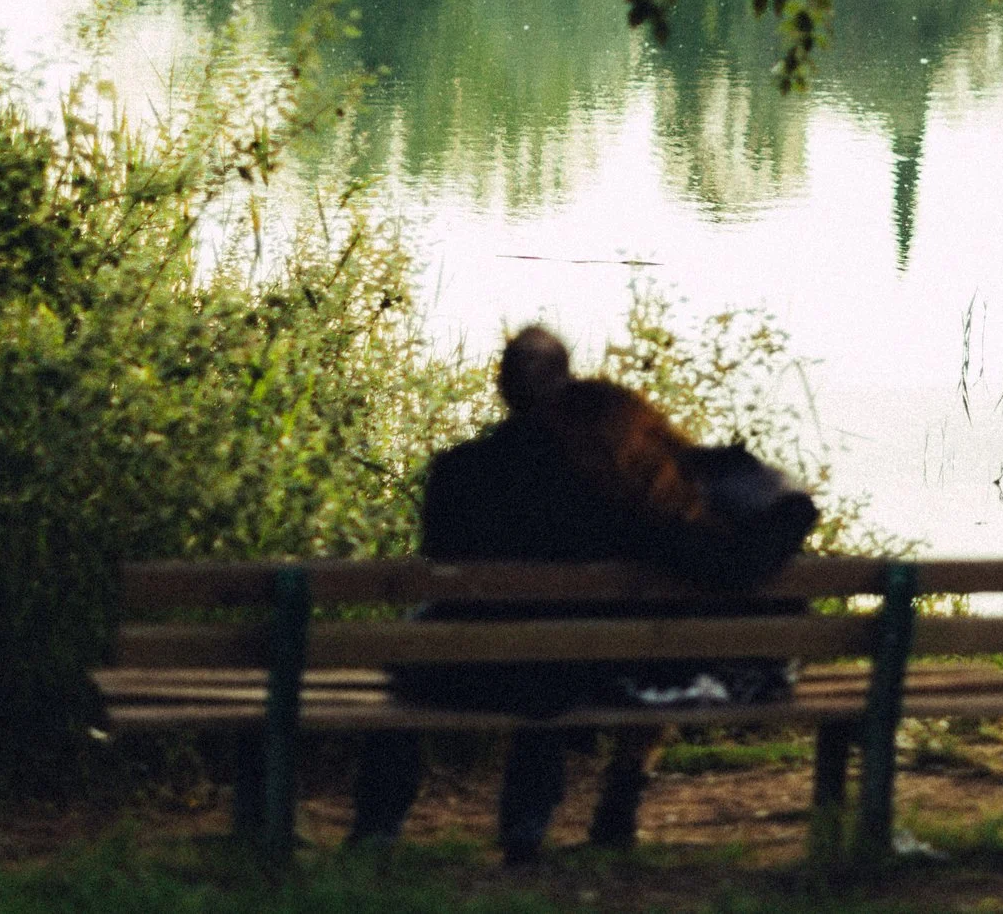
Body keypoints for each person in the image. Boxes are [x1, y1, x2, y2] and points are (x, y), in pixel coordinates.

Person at [345, 326, 818, 862]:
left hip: (452, 676)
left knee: (418, 675)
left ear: (501, 387)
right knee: (550, 664)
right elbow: (719, 562)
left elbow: (438, 560)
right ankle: (525, 832)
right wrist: (790, 510)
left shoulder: (456, 472)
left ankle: (377, 827)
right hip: (557, 679)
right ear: (565, 383)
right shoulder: (601, 482)